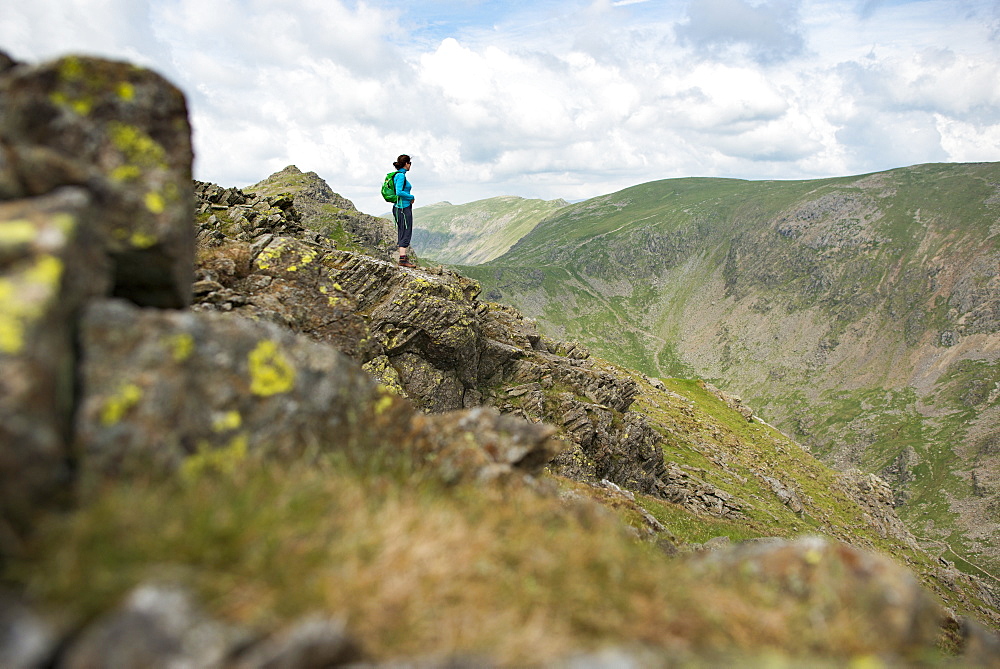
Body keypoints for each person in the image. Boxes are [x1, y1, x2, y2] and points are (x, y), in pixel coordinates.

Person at [391, 154, 416, 268]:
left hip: (399, 207)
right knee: (406, 231)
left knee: (402, 230)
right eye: (410, 163)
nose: (410, 165)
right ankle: (403, 259)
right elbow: (399, 192)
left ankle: (403, 258)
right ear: (406, 163)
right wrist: (411, 197)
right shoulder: (401, 176)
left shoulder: (397, 175)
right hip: (403, 207)